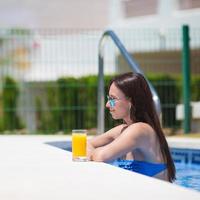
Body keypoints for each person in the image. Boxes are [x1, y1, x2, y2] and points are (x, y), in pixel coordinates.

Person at [87, 72, 176, 182]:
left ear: (131, 101)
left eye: (112, 99)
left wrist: (95, 152)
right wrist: (94, 152)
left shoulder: (140, 130)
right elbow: (85, 143)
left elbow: (101, 157)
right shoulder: (123, 129)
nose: (108, 104)